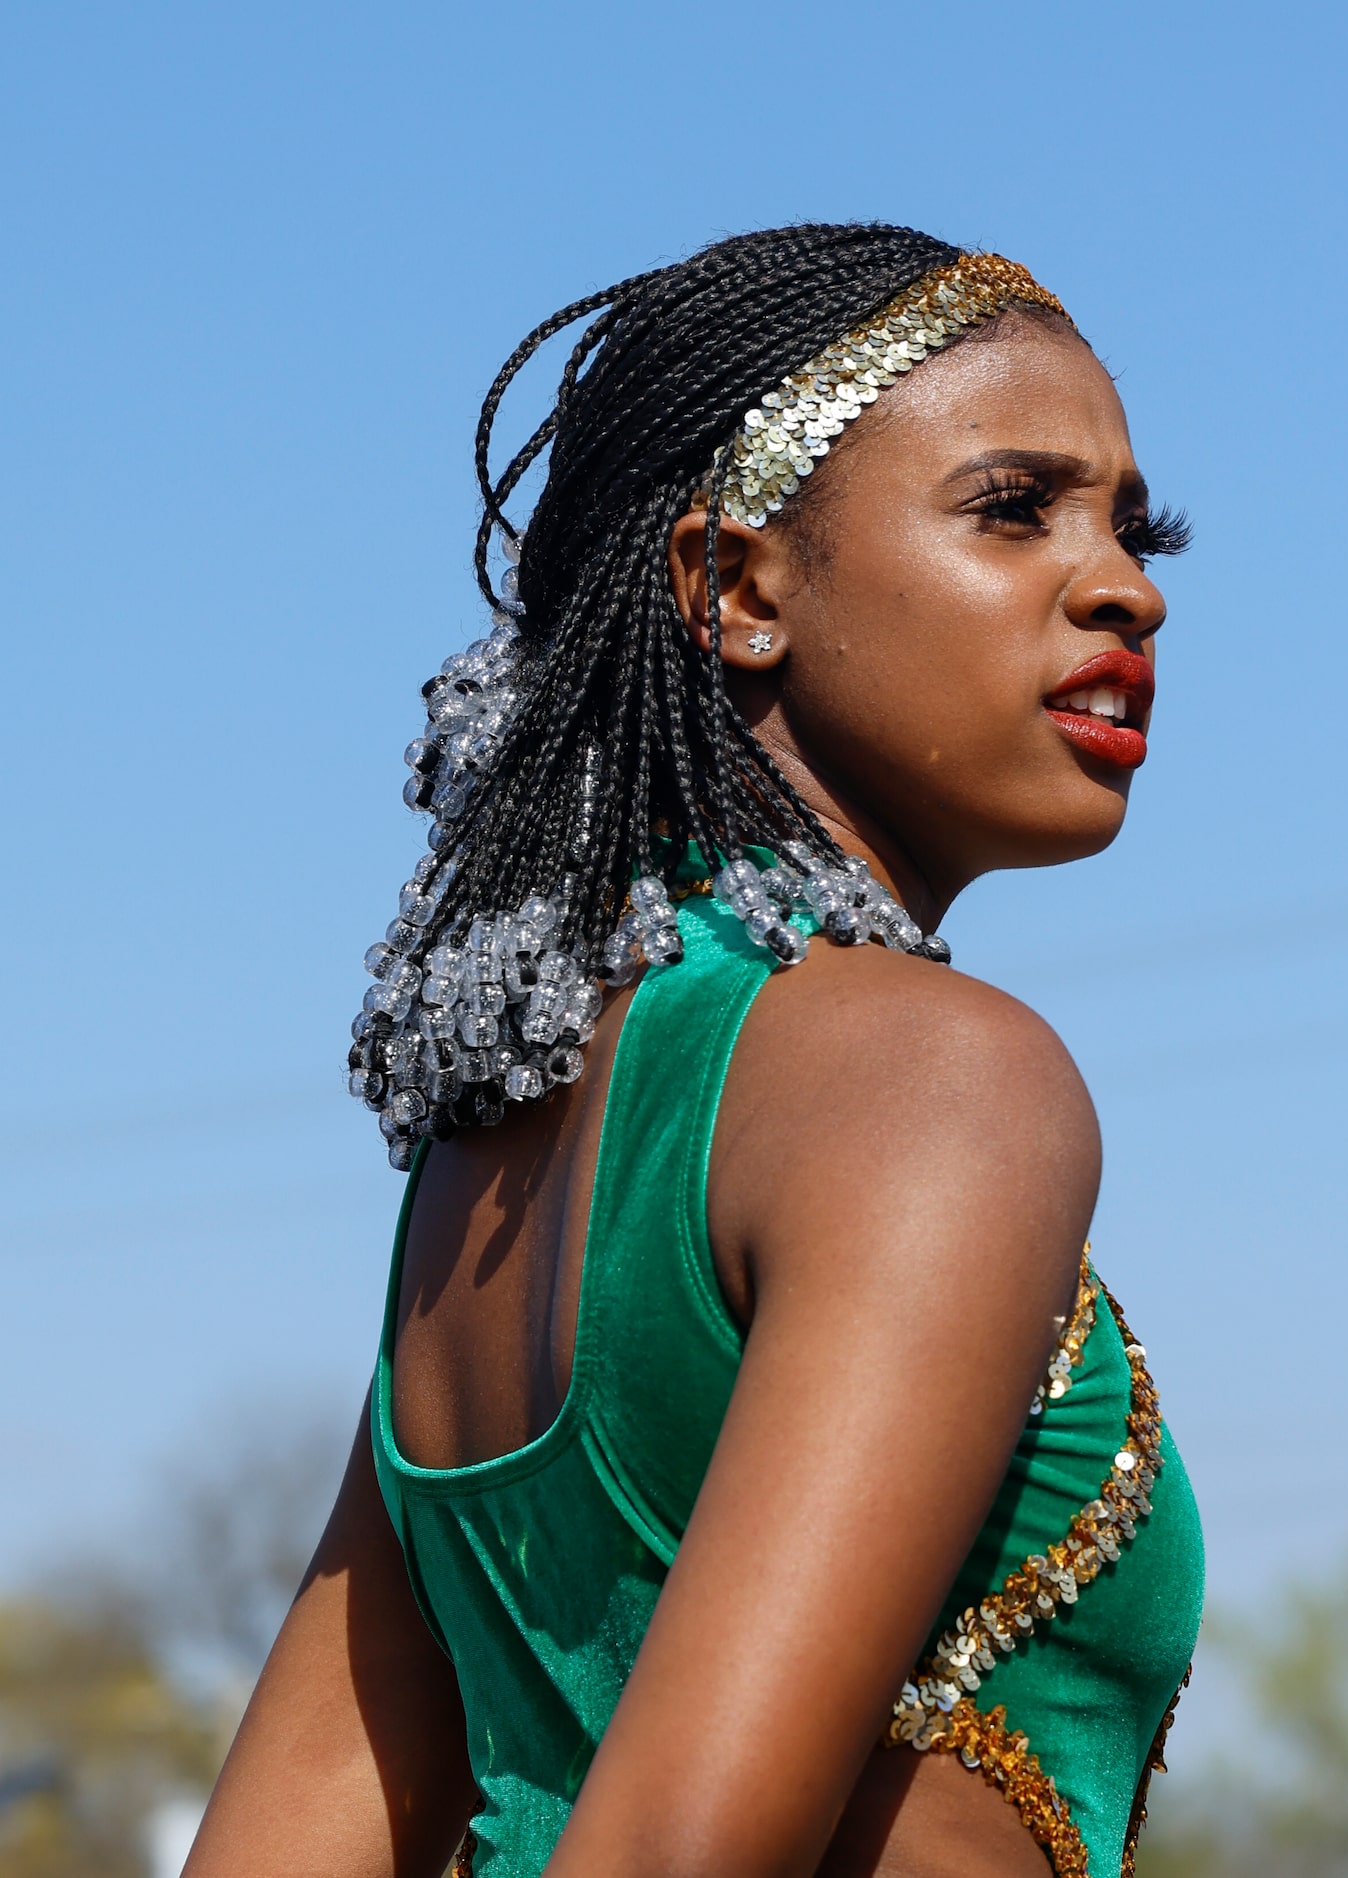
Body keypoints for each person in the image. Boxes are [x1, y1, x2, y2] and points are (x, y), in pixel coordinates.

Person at [184, 222, 1203, 1878]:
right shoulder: (934, 1078)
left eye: (1130, 525)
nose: (1125, 584)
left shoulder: (498, 1151)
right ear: (735, 590)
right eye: (1011, 510)